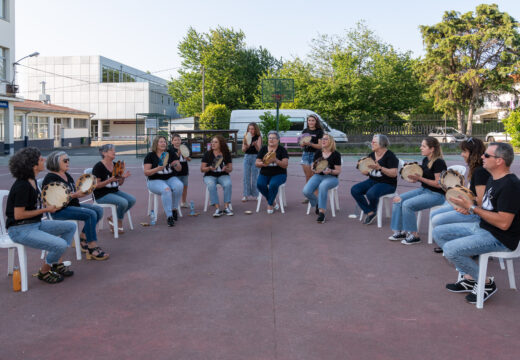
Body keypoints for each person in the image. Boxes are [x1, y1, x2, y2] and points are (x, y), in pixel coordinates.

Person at [434, 143, 520, 304]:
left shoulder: (511, 185)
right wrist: (470, 210)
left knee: (451, 249)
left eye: (487, 155)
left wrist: (472, 208)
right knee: (438, 232)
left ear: (500, 161)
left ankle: (485, 283)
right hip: (484, 227)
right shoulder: (494, 179)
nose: (482, 157)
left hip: (500, 237)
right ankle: (470, 277)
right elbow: (488, 209)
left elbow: (504, 223)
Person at [6, 147, 76, 284]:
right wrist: (46, 210)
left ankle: (55, 263)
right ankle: (44, 271)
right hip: (19, 229)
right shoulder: (22, 186)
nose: (44, 160)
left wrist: (53, 203)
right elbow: (19, 215)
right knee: (60, 244)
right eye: (40, 159)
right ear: (33, 165)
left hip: (35, 224)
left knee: (70, 227)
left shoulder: (32, 181)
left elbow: (36, 204)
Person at [42, 151, 107, 260]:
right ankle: (92, 246)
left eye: (68, 160)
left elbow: (74, 193)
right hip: (60, 210)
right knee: (90, 214)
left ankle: (83, 237)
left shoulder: (66, 175)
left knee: (98, 210)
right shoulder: (51, 178)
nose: (68, 162)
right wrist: (72, 196)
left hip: (73, 206)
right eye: (65, 160)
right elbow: (51, 201)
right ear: (55, 162)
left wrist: (82, 192)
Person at [431, 138, 490, 253]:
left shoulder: (480, 171)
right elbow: (473, 194)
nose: (461, 154)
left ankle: (457, 247)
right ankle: (452, 244)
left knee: (437, 220)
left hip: (476, 213)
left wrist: (463, 205)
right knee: (434, 214)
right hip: (471, 208)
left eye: (464, 151)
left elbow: (481, 201)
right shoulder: (476, 169)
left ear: (473, 153)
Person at [388, 136, 447, 245]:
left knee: (407, 205)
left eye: (423, 146)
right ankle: (400, 231)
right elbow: (421, 177)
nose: (421, 148)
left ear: (432, 149)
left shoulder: (439, 162)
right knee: (398, 199)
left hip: (437, 195)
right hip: (424, 190)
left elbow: (439, 184)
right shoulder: (426, 159)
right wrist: (412, 175)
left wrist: (420, 178)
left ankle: (414, 235)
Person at [351, 134, 399, 225]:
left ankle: (371, 211)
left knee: (371, 193)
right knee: (355, 190)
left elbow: (394, 174)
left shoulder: (390, 156)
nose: (371, 143)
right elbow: (369, 171)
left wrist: (380, 168)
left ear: (381, 144)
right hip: (372, 181)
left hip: (388, 183)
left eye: (374, 142)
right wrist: (364, 171)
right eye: (372, 141)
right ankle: (370, 212)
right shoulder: (372, 155)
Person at [92, 144, 136, 233]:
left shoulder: (116, 165)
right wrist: (110, 180)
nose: (114, 152)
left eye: (114, 150)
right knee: (123, 202)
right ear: (104, 153)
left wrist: (123, 177)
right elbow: (96, 185)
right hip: (101, 194)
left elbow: (119, 183)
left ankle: (113, 218)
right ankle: (118, 221)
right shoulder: (98, 166)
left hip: (114, 191)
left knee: (132, 200)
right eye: (111, 150)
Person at [144, 136, 183, 227]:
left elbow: (179, 169)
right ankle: (169, 216)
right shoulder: (150, 155)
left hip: (169, 178)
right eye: (160, 142)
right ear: (156, 144)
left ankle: (174, 209)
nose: (163, 143)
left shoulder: (170, 153)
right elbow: (146, 172)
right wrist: (157, 169)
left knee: (179, 186)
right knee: (166, 190)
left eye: (164, 142)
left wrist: (176, 164)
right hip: (154, 180)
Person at [302, 133, 342, 223]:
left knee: (322, 186)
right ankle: (316, 203)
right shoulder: (318, 152)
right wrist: (313, 169)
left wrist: (330, 171)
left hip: (331, 178)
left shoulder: (336, 154)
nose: (323, 141)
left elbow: (338, 171)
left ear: (331, 141)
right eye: (322, 139)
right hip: (318, 176)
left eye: (326, 139)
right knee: (306, 191)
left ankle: (322, 213)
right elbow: (314, 165)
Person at [256, 131, 289, 214]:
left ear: (278, 140)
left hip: (279, 173)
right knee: (260, 184)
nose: (271, 140)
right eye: (270, 138)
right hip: (265, 173)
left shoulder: (282, 150)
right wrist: (262, 164)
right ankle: (273, 201)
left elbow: (285, 165)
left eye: (273, 138)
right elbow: (257, 163)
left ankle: (270, 204)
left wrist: (276, 160)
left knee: (273, 184)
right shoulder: (263, 149)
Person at [201, 135, 233, 217]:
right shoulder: (207, 154)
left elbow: (230, 169)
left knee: (228, 184)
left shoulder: (226, 154)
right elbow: (202, 169)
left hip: (223, 175)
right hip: (210, 175)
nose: (213, 144)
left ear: (220, 144)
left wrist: (226, 168)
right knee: (211, 185)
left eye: (215, 142)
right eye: (212, 142)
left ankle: (226, 207)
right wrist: (209, 168)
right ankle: (217, 208)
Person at [300, 114, 324, 203]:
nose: (311, 122)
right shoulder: (305, 131)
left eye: (312, 120)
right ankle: (308, 195)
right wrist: (302, 144)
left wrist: (310, 144)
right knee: (308, 176)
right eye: (309, 120)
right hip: (306, 154)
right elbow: (301, 144)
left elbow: (320, 146)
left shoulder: (319, 131)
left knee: (315, 176)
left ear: (316, 121)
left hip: (316, 155)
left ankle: (316, 196)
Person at [169, 133, 191, 208]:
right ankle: (174, 204)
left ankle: (183, 202)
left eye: (179, 140)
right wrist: (178, 154)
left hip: (185, 170)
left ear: (181, 141)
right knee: (176, 188)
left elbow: (189, 159)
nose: (177, 141)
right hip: (175, 172)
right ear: (172, 142)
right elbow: (172, 161)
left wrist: (186, 156)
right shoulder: (170, 150)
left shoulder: (185, 148)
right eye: (175, 140)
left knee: (185, 187)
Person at [241, 122, 262, 202]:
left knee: (255, 176)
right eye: (249, 129)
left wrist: (255, 145)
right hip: (247, 157)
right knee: (246, 176)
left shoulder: (258, 137)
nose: (251, 130)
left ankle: (256, 194)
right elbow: (243, 150)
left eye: (252, 129)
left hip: (256, 157)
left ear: (255, 129)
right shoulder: (246, 136)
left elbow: (259, 150)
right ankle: (245, 195)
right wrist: (247, 145)